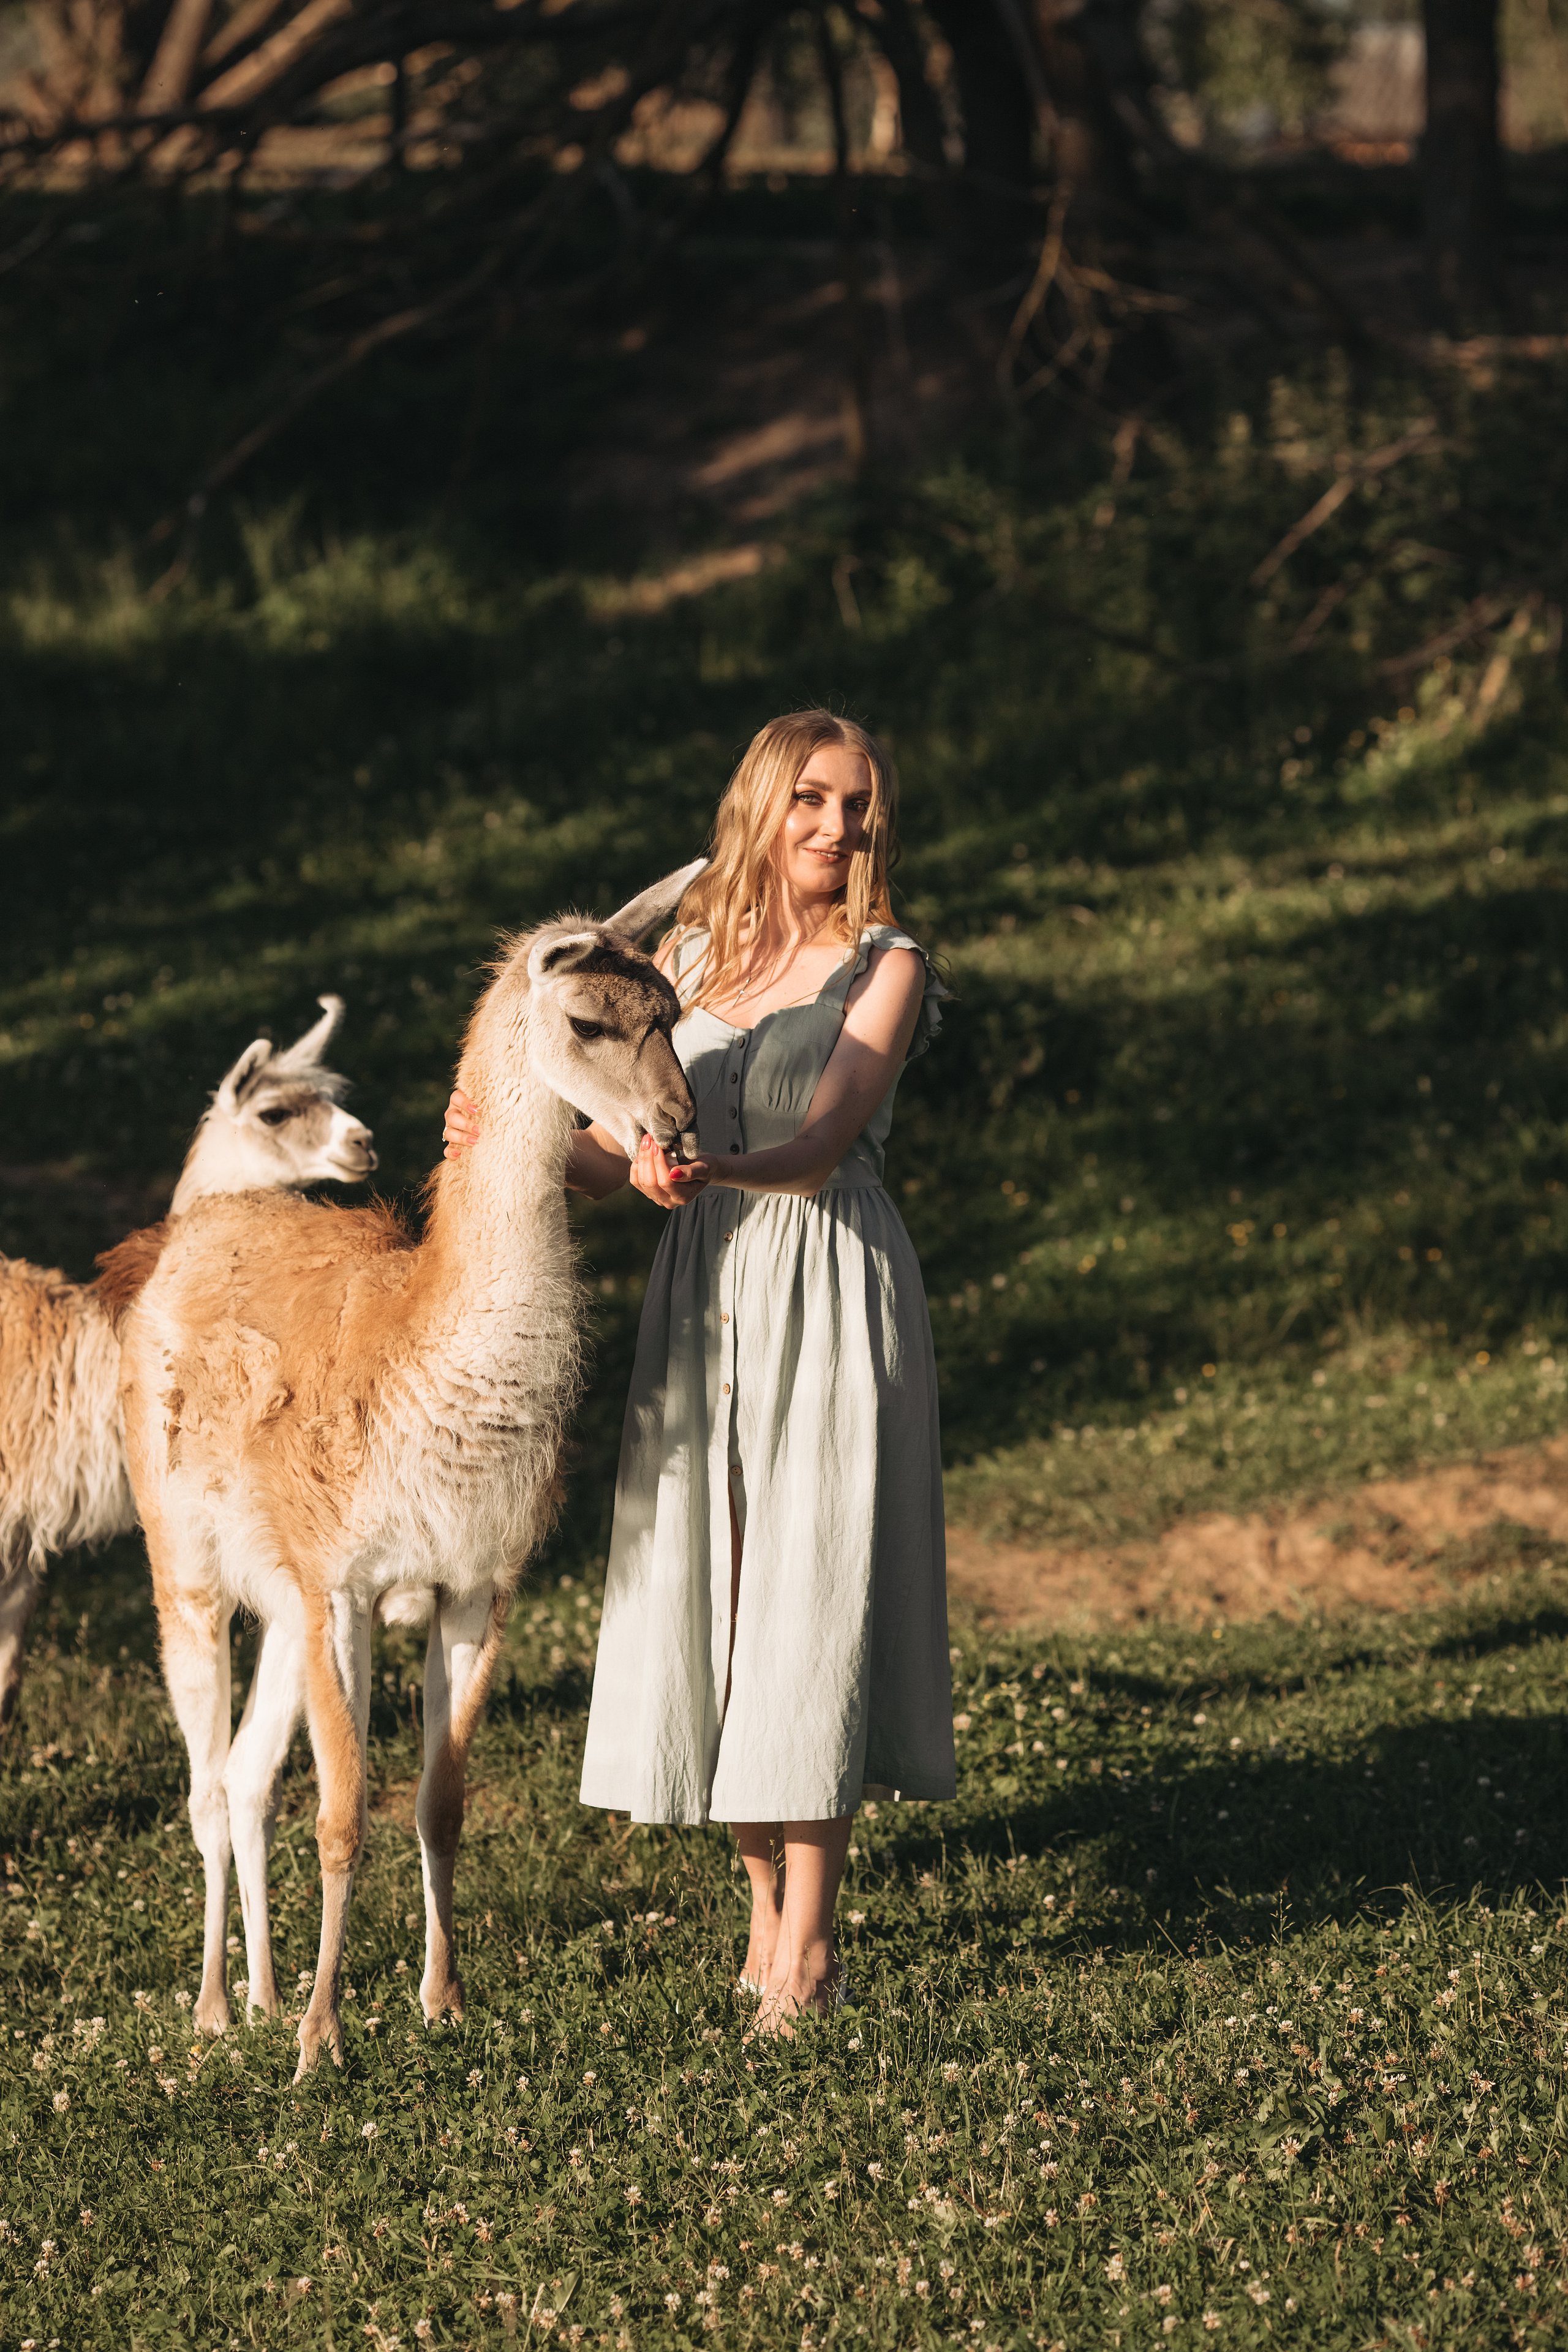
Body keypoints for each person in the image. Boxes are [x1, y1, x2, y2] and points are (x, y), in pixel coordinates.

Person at [443, 709, 954, 2029]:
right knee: (713, 1596)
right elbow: (614, 1156)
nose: (836, 826)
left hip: (825, 1279)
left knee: (810, 1594)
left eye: (857, 804)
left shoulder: (884, 965)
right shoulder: (682, 958)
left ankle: (810, 1949)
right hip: (702, 1294)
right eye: (811, 800)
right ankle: (759, 1916)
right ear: (761, 806)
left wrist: (706, 1170)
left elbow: (823, 1143)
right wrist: (508, 1135)